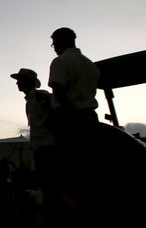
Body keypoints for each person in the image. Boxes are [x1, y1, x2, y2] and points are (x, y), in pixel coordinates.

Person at [47, 27, 100, 214]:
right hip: (91, 118)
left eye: (53, 44)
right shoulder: (90, 64)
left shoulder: (60, 61)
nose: (53, 48)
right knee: (89, 165)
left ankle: (73, 209)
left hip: (70, 119)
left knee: (69, 167)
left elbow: (58, 90)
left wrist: (71, 113)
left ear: (59, 42)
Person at [11, 68, 74, 222]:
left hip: (47, 146)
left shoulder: (41, 96)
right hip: (41, 146)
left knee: (52, 185)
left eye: (20, 79)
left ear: (28, 82)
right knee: (48, 185)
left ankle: (63, 215)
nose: (17, 83)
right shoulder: (31, 99)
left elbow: (56, 112)